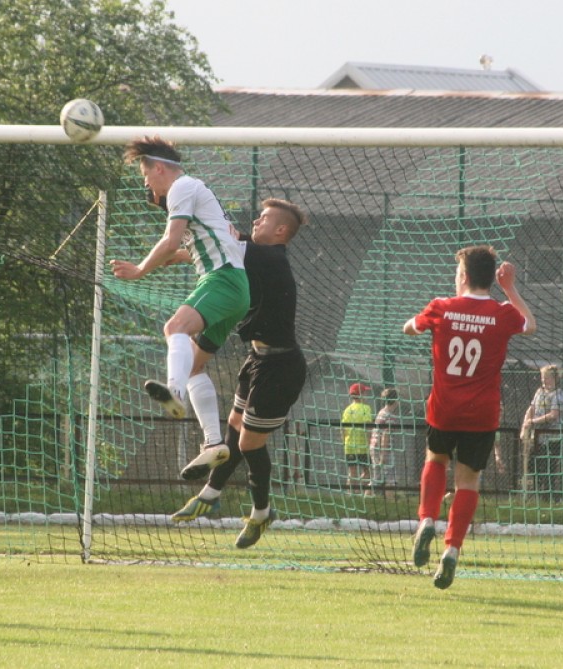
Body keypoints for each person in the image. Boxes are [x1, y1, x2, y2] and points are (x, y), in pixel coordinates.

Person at [170, 198, 308, 548]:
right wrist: (179, 254)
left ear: (280, 230)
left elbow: (222, 242)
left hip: (282, 367)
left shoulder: (270, 257)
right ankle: (211, 494)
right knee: (234, 426)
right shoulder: (254, 255)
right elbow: (221, 250)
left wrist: (183, 223)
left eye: (264, 218)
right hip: (257, 359)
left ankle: (262, 513)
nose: (257, 222)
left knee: (248, 443)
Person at [111, 136, 250, 479]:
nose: (147, 185)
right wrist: (178, 257)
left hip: (222, 280)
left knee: (174, 328)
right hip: (234, 287)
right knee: (193, 365)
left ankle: (173, 393)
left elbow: (170, 240)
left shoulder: (182, 186)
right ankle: (214, 443)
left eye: (146, 177)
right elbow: (213, 247)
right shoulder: (200, 199)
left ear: (159, 168)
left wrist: (140, 270)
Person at [404, 245, 536, 589]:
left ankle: (427, 520)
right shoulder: (502, 313)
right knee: (468, 482)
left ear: (462, 275)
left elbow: (409, 328)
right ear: (491, 278)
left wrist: (423, 325)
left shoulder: (441, 307)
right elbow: (530, 325)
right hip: (482, 413)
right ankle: (451, 551)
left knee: (436, 459)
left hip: (444, 409)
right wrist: (510, 289)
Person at [520, 365, 563, 492]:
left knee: (548, 468)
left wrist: (534, 421)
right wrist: (525, 426)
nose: (543, 380)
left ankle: (547, 495)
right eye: (542, 377)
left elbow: (553, 415)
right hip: (537, 438)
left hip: (552, 438)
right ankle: (537, 491)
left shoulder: (558, 394)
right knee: (532, 464)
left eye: (546, 377)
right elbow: (531, 409)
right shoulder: (539, 392)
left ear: (554, 378)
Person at [369, 388, 401, 497]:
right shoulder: (390, 415)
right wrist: (384, 454)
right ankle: (390, 500)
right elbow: (385, 435)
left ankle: (367, 497)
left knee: (376, 477)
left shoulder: (381, 412)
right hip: (383, 449)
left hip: (374, 447)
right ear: (395, 400)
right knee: (390, 478)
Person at [342, 383, 373, 495]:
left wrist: (344, 442)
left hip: (349, 445)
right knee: (368, 471)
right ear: (361, 394)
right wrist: (370, 442)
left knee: (352, 472)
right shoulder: (366, 408)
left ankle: (350, 494)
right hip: (363, 446)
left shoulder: (347, 410)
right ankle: (359, 489)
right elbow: (368, 427)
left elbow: (343, 429)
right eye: (365, 392)